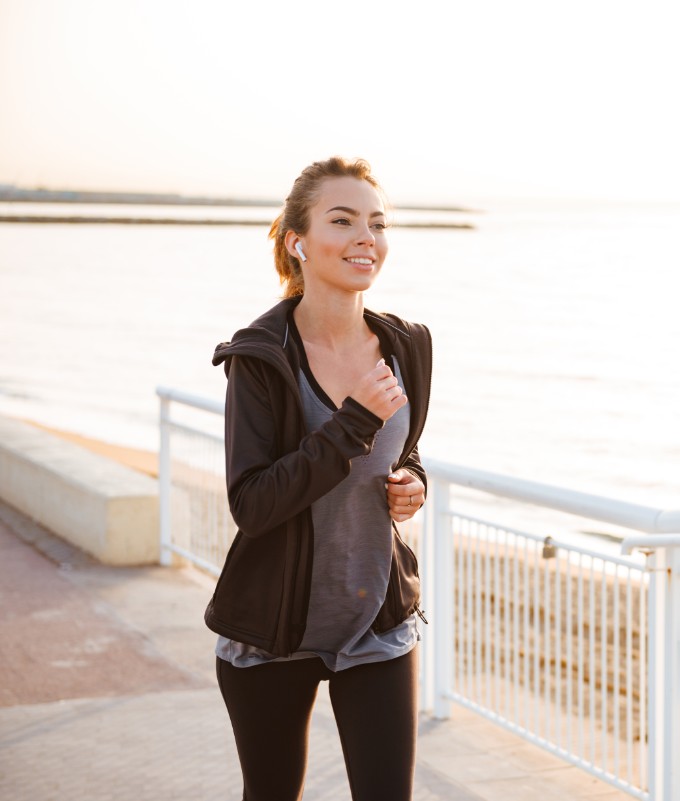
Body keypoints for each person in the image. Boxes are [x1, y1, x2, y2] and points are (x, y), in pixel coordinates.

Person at [206, 156, 432, 801]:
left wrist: (411, 481)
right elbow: (252, 504)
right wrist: (354, 420)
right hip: (274, 626)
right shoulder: (260, 358)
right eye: (343, 220)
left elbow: (405, 449)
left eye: (377, 223)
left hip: (376, 622)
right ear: (296, 241)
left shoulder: (408, 345)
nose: (367, 237)